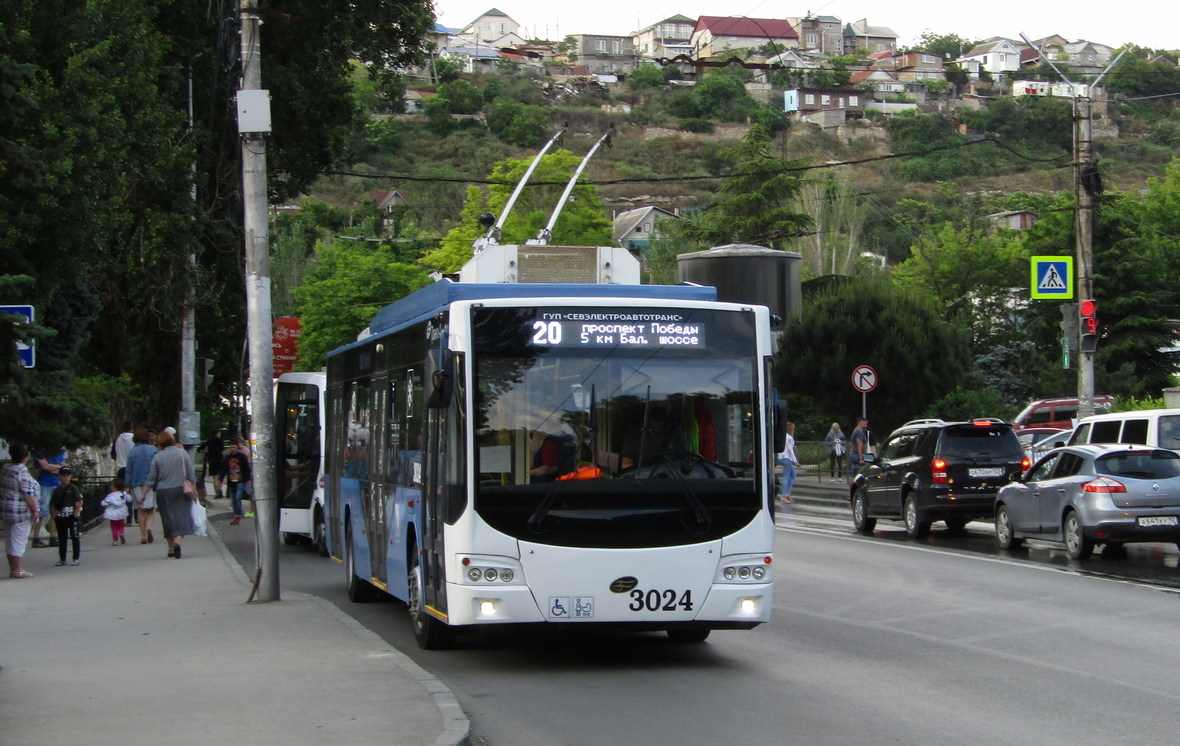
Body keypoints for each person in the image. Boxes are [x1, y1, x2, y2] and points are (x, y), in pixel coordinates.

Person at [145, 430, 197, 558]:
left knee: (167, 518)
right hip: (181, 489)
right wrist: (195, 491)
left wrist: (143, 494)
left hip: (163, 491)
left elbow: (151, 478)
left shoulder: (158, 456)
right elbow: (191, 474)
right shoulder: (182, 453)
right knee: (182, 517)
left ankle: (170, 548)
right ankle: (178, 541)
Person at [2, 444, 40, 578]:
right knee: (19, 539)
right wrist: (35, 510)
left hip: (6, 509)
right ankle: (18, 569)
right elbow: (27, 494)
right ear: (25, 457)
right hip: (20, 511)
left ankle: (13, 568)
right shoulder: (22, 471)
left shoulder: (6, 468)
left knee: (10, 539)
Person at [619, 403, 687, 471]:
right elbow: (625, 465)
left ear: (668, 409)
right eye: (655, 404)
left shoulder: (676, 432)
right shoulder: (635, 433)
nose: (659, 408)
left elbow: (684, 464)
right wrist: (646, 472)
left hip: (673, 480)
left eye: (663, 404)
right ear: (648, 409)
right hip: (643, 479)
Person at [124, 427, 157, 542]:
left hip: (136, 483)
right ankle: (149, 527)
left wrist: (127, 485)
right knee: (152, 508)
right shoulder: (153, 450)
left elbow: (129, 470)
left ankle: (143, 535)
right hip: (151, 483)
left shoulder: (132, 452)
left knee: (140, 509)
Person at [32, 447, 67, 548]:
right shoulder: (41, 452)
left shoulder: (59, 452)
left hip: (56, 484)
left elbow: (63, 468)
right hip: (45, 484)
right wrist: (57, 467)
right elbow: (45, 467)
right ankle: (36, 538)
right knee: (42, 512)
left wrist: (53, 467)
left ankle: (53, 538)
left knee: (55, 512)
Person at [50, 466, 84, 566]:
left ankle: (76, 558)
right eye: (64, 476)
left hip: (71, 516)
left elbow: (80, 501)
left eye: (68, 476)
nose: (66, 478)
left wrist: (76, 513)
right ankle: (62, 558)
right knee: (62, 538)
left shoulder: (72, 488)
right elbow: (53, 504)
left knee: (74, 537)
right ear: (60, 476)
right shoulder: (57, 490)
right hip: (61, 517)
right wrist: (54, 515)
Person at [216, 450, 252, 526]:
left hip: (241, 480)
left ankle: (238, 516)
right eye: (231, 447)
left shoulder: (242, 457)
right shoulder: (228, 457)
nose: (232, 449)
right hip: (231, 481)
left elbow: (246, 468)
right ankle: (236, 515)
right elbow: (224, 469)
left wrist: (249, 479)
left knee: (238, 497)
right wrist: (220, 479)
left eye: (234, 447)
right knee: (234, 499)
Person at [101, 477, 132, 546]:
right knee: (121, 525)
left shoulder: (111, 496)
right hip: (122, 512)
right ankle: (121, 533)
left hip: (113, 513)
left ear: (113, 487)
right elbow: (129, 499)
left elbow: (104, 503)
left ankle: (115, 540)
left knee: (114, 527)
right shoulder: (123, 494)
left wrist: (106, 504)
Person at [197, 428, 225, 499]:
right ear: (217, 434)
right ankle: (220, 489)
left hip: (212, 460)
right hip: (220, 460)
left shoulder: (209, 441)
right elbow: (222, 449)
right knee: (220, 477)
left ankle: (217, 493)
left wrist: (205, 452)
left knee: (215, 477)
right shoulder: (221, 441)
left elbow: (199, 449)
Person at [777, 422, 800, 504]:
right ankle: (784, 495)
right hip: (787, 457)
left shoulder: (784, 436)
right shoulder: (789, 437)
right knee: (787, 476)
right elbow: (790, 450)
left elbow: (788, 447)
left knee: (793, 474)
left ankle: (788, 493)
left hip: (782, 457)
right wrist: (795, 461)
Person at [849, 417, 870, 483]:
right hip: (857, 455)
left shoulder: (855, 430)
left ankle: (851, 490)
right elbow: (859, 445)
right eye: (865, 424)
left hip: (853, 454)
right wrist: (861, 458)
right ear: (861, 423)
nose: (866, 426)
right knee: (868, 466)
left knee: (853, 473)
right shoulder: (859, 431)